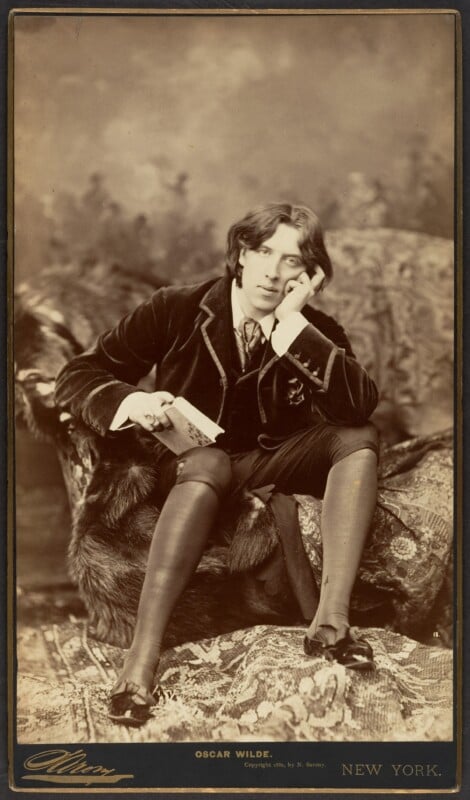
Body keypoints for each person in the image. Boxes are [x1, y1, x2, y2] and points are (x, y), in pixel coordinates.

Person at [55, 202, 379, 726]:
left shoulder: (315, 330)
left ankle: (331, 624)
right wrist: (132, 403)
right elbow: (79, 374)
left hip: (265, 467)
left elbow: (357, 408)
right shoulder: (176, 308)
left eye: (293, 261)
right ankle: (141, 661)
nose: (274, 271)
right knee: (207, 461)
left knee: (359, 435)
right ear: (241, 254)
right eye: (264, 252)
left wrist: (294, 327)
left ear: (311, 276)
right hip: (186, 468)